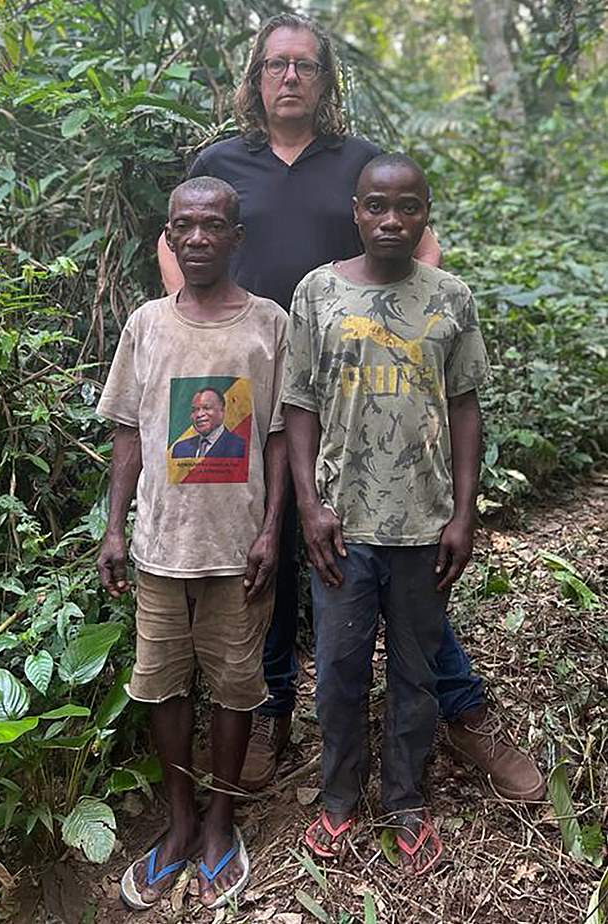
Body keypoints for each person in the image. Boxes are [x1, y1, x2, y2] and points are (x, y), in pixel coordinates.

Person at [157, 12, 545, 805]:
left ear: (326, 80)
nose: (290, 78)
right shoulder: (221, 161)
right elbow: (179, 241)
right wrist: (203, 326)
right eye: (276, 65)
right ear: (256, 78)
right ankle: (270, 712)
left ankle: (461, 712)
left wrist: (398, 335)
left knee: (398, 556)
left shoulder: (362, 163)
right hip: (240, 393)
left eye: (305, 65)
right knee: (264, 555)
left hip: (357, 393)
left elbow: (420, 254)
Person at [283, 153, 488, 872]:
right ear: (357, 209)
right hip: (343, 525)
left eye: (408, 206)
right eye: (377, 205)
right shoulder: (317, 293)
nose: (392, 220)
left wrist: (464, 512)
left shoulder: (451, 296)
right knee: (338, 670)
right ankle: (338, 798)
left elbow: (464, 407)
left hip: (424, 526)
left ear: (427, 212)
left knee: (416, 671)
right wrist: (310, 504)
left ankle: (405, 798)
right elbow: (299, 404)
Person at [97, 176, 288, 910]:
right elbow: (127, 435)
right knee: (161, 684)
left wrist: (273, 532)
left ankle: (220, 821)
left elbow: (277, 435)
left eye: (214, 225)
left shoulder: (268, 325)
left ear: (237, 237)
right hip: (159, 550)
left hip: (239, 551)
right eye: (186, 226)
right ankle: (177, 825)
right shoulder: (147, 324)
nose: (200, 237)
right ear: (170, 238)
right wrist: (115, 527)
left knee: (237, 689)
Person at [172, 388, 247, 459]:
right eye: (194, 410)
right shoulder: (180, 449)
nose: (199, 414)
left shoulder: (240, 447)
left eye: (207, 408)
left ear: (222, 411)